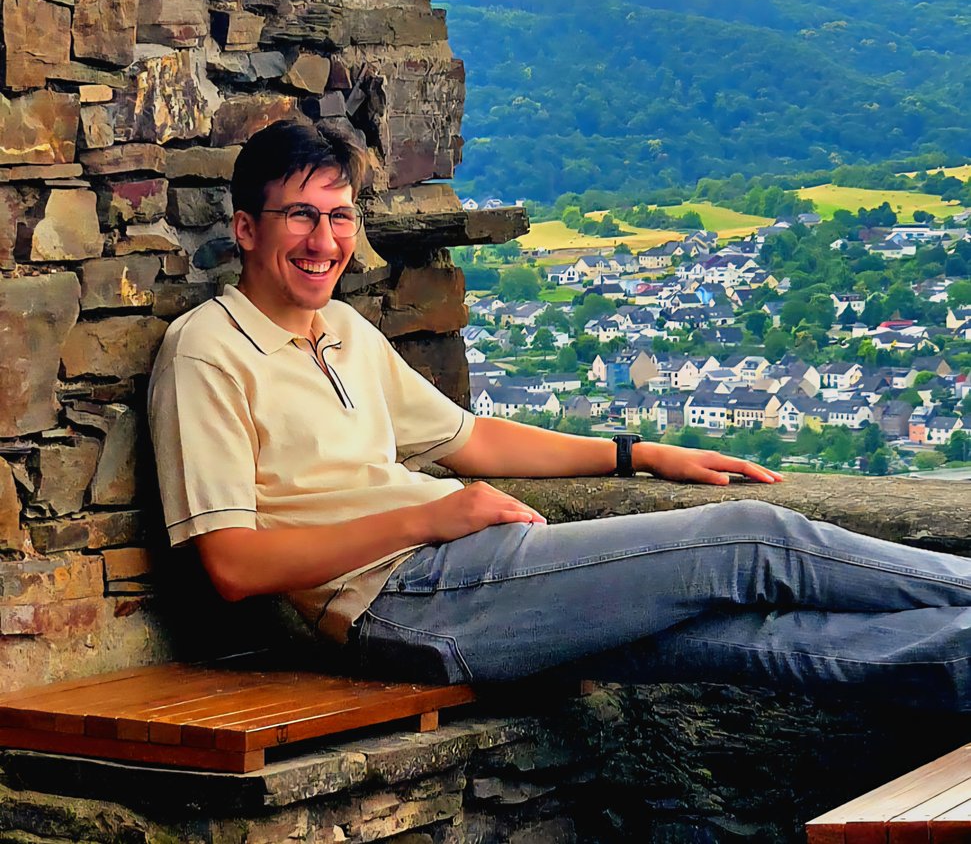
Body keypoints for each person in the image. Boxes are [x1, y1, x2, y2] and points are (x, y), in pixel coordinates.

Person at [149, 120, 971, 710]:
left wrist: (635, 454)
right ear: (246, 229)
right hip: (405, 599)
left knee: (756, 636)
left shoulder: (341, 329)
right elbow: (233, 565)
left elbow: (471, 438)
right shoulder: (207, 351)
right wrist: (426, 519)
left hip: (465, 577)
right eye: (300, 215)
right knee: (755, 536)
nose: (324, 240)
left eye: (339, 217)